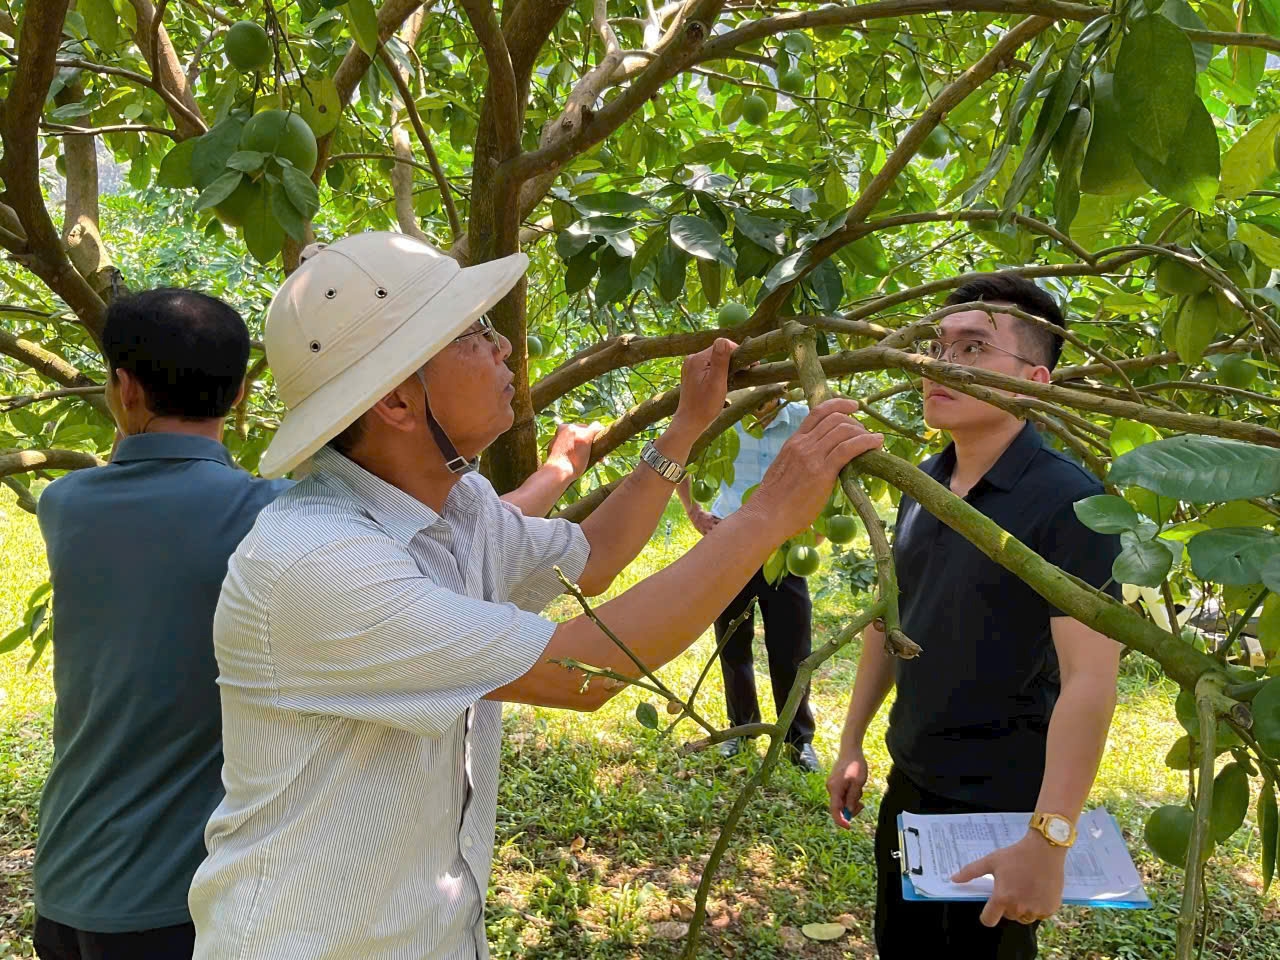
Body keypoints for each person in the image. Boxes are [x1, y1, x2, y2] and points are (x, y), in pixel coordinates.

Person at [188, 232, 883, 960]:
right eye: (473, 335)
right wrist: (767, 515)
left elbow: (595, 557)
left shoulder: (460, 509)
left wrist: (687, 425)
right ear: (396, 399)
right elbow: (584, 671)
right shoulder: (317, 561)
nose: (504, 349)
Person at [825, 275, 1123, 959]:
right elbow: (890, 620)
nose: (937, 363)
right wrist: (854, 740)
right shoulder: (919, 482)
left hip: (1002, 804)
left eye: (973, 348)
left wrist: (1048, 839)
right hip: (911, 784)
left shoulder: (1072, 502)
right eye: (937, 346)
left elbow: (1090, 681)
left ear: (1035, 381)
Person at [30, 289, 294, 960]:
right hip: (179, 904)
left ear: (124, 390)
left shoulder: (65, 506)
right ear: (239, 396)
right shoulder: (275, 515)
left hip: (67, 878)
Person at [676, 394, 821, 772]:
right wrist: (694, 511)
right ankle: (740, 731)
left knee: (792, 650)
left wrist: (816, 528)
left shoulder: (805, 419)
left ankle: (798, 741)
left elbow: (830, 472)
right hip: (730, 545)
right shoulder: (723, 419)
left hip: (784, 549)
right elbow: (682, 457)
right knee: (732, 645)